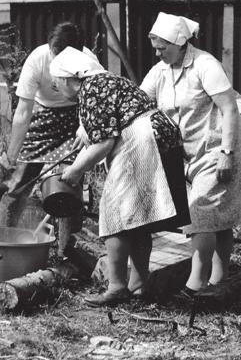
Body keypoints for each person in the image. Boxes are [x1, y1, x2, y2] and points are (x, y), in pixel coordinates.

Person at [50, 47, 190, 306]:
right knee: (138, 217)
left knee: (113, 213)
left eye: (56, 83)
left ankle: (116, 287)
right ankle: (139, 286)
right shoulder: (107, 80)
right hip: (160, 135)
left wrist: (75, 170)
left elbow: (104, 142)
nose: (56, 88)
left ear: (70, 78)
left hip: (141, 142)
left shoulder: (91, 88)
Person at [140, 12, 241, 296]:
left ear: (180, 43)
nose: (158, 53)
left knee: (201, 213)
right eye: (154, 47)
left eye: (162, 47)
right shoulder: (161, 71)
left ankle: (196, 282)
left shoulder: (205, 65)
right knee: (218, 216)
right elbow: (139, 100)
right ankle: (219, 278)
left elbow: (229, 108)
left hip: (218, 146)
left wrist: (227, 153)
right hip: (189, 154)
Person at [0, 22, 96, 254]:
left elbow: (95, 100)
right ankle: (1, 245)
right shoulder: (37, 60)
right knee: (17, 182)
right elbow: (22, 113)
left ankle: (67, 254)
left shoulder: (88, 61)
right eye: (54, 54)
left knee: (69, 183)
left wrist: (86, 127)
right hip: (42, 116)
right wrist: (10, 157)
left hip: (75, 120)